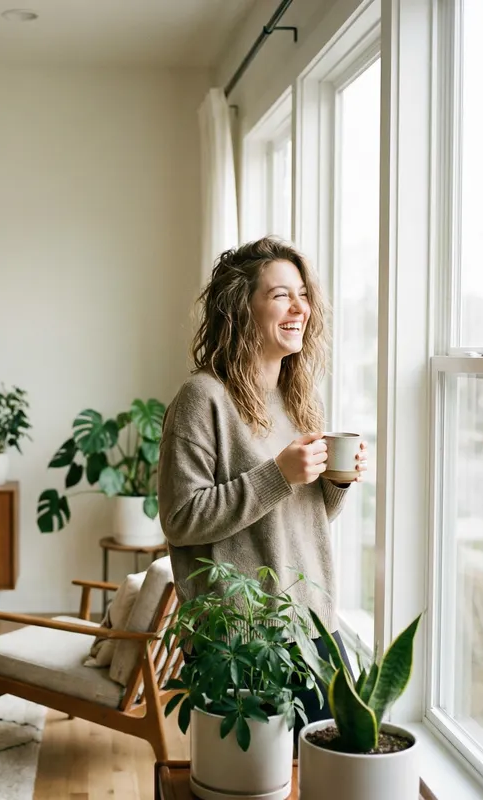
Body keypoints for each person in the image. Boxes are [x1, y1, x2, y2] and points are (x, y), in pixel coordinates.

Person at [157, 235, 368, 737]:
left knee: (326, 765)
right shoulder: (202, 398)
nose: (300, 308)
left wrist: (335, 483)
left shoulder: (301, 399)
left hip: (313, 623)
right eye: (280, 295)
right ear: (240, 308)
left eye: (303, 294)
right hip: (240, 639)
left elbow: (299, 520)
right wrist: (279, 474)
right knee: (254, 776)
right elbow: (181, 519)